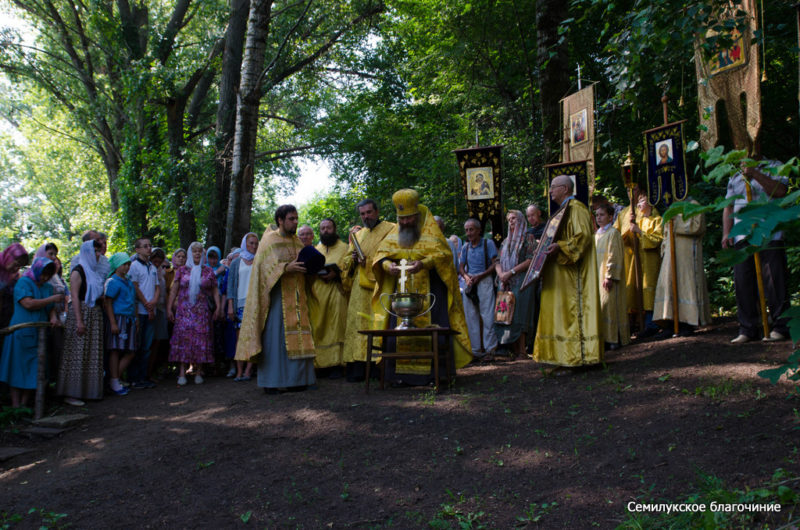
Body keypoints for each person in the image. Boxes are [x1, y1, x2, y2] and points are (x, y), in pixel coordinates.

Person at [371, 189, 472, 385]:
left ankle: (436, 375)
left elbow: (444, 256)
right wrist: (387, 265)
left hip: (430, 290)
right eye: (402, 219)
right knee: (399, 330)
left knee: (433, 327)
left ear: (416, 215)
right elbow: (380, 255)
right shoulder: (394, 234)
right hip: (400, 291)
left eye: (409, 218)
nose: (406, 223)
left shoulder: (430, 230)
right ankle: (398, 376)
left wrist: (423, 264)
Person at [236, 205, 316, 394]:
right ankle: (271, 382)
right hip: (276, 298)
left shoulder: (297, 242)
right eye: (291, 219)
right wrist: (285, 268)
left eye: (296, 218)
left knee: (299, 336)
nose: (295, 222)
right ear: (280, 220)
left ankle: (297, 380)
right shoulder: (269, 241)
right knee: (275, 339)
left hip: (297, 298)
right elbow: (263, 271)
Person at [533, 175, 602, 369]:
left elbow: (583, 238)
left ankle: (579, 357)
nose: (550, 191)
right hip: (562, 275)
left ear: (564, 188)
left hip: (575, 277)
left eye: (553, 187)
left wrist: (559, 246)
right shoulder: (563, 210)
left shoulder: (577, 209)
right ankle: (563, 356)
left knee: (573, 312)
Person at [723, 160, 790, 343]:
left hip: (770, 232)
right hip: (742, 235)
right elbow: (728, 205)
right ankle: (748, 328)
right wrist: (726, 232)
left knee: (774, 280)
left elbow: (780, 191)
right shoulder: (735, 173)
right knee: (743, 281)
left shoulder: (775, 166)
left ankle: (780, 327)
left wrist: (755, 173)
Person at [340, 199, 395, 382]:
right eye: (362, 214)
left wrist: (369, 261)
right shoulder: (359, 235)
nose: (366, 217)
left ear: (377, 211)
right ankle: (357, 368)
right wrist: (354, 259)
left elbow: (392, 254)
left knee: (376, 322)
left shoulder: (390, 229)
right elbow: (346, 261)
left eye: (369, 212)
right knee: (357, 325)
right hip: (359, 288)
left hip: (380, 285)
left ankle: (377, 367)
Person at [0, 257, 62, 408]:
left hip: (38, 334)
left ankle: (24, 404)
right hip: (21, 332)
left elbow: (51, 308)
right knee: (16, 369)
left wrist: (53, 317)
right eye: (43, 274)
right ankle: (15, 406)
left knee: (34, 370)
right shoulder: (24, 282)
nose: (45, 278)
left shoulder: (46, 287)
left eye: (48, 275)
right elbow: (28, 303)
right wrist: (52, 299)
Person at [57, 239, 105, 405]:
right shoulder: (78, 271)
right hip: (82, 313)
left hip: (95, 314)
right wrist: (79, 320)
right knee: (77, 352)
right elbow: (75, 296)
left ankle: (89, 391)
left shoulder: (94, 272)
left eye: (99, 251)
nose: (98, 255)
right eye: (95, 252)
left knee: (91, 353)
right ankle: (71, 393)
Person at [653, 201, 711, 335]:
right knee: (669, 284)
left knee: (686, 284)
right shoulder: (671, 206)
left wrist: (676, 221)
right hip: (670, 254)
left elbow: (697, 227)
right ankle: (670, 321)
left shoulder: (695, 204)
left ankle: (687, 322)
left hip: (687, 254)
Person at [167, 242, 221, 385]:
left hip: (202, 312)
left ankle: (198, 371)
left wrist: (218, 307)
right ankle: (181, 373)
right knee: (183, 339)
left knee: (201, 339)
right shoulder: (182, 270)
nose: (197, 254)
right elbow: (174, 290)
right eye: (194, 251)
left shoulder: (208, 271)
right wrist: (168, 308)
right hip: (184, 311)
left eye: (199, 252)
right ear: (190, 254)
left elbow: (215, 290)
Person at [614, 187, 663, 337]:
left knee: (648, 289)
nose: (631, 193)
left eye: (634, 190)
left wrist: (639, 232)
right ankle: (631, 323)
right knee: (631, 290)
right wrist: (627, 232)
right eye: (628, 190)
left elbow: (657, 236)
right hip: (630, 258)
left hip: (648, 259)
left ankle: (651, 323)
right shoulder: (624, 214)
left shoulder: (652, 214)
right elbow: (616, 235)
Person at [308, 218, 349, 378]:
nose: (325, 231)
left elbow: (350, 270)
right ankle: (320, 365)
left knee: (336, 327)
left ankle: (337, 365)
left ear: (335, 229)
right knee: (318, 327)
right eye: (323, 228)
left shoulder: (345, 248)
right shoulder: (316, 249)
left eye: (329, 228)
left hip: (337, 293)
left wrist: (337, 274)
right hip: (318, 294)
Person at [493, 210, 537, 358]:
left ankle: (523, 351)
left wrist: (510, 272)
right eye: (509, 219)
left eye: (514, 219)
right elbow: (497, 261)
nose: (511, 221)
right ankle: (511, 349)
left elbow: (530, 260)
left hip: (522, 280)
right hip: (505, 282)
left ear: (521, 220)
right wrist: (501, 275)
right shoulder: (505, 241)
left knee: (520, 313)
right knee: (506, 314)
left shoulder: (528, 238)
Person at [458, 218, 498, 359]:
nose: (469, 233)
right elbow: (461, 267)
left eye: (471, 229)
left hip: (484, 280)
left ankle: (490, 350)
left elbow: (495, 264)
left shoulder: (488, 243)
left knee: (487, 315)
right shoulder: (465, 247)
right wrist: (466, 277)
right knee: (471, 316)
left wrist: (482, 275)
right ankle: (475, 350)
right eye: (467, 230)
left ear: (479, 230)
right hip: (470, 282)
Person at [594, 204, 629, 350]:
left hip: (608, 277)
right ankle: (605, 338)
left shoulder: (613, 233)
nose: (599, 218)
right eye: (597, 215)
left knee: (612, 306)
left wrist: (609, 276)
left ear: (610, 217)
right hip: (598, 276)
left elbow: (614, 255)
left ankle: (616, 337)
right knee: (602, 307)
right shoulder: (596, 235)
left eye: (602, 215)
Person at [103, 252, 137, 396]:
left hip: (129, 318)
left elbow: (133, 301)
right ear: (117, 265)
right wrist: (113, 322)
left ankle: (114, 378)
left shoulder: (128, 281)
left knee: (130, 350)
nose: (127, 267)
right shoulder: (113, 281)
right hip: (118, 318)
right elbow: (108, 302)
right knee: (115, 349)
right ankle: (114, 380)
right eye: (124, 264)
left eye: (128, 264)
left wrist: (136, 319)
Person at [128, 238, 159, 388]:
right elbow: (134, 286)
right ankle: (134, 378)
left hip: (151, 311)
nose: (148, 249)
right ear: (138, 250)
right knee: (137, 345)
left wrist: (153, 302)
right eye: (145, 246)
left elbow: (157, 287)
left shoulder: (152, 267)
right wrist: (146, 304)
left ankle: (144, 376)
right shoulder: (133, 267)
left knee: (147, 346)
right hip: (139, 311)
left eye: (150, 246)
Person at [226, 233, 258, 381]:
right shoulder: (236, 262)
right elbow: (231, 286)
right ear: (245, 244)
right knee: (240, 340)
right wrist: (230, 306)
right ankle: (239, 371)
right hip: (239, 304)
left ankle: (248, 370)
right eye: (251, 243)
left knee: (252, 338)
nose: (253, 246)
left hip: (254, 304)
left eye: (256, 244)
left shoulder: (259, 261)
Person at [0, 243, 29, 333]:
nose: (17, 268)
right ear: (9, 257)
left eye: (20, 266)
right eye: (16, 264)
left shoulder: (16, 277)